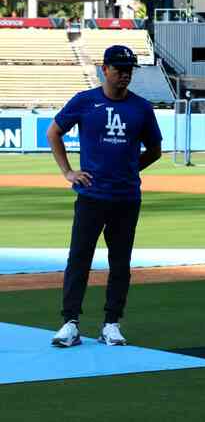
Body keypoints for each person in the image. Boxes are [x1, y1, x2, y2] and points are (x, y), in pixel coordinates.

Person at [47, 45, 163, 347]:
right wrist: (68, 172)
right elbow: (54, 132)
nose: (125, 74)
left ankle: (111, 323)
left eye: (129, 69)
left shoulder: (142, 108)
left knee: (120, 262)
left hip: (126, 198)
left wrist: (129, 168)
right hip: (92, 196)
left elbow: (155, 150)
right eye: (119, 68)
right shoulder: (85, 101)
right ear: (104, 69)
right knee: (79, 259)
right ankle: (70, 323)